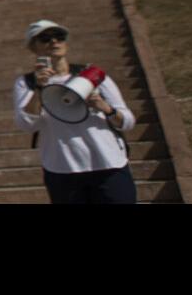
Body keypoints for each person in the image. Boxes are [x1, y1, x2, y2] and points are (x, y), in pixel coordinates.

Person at [13, 19, 136, 204]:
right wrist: (39, 88)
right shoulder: (27, 83)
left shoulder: (92, 75)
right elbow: (27, 124)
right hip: (63, 169)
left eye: (59, 36)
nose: (54, 42)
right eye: (45, 38)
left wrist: (105, 108)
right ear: (33, 47)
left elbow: (127, 121)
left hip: (109, 164)